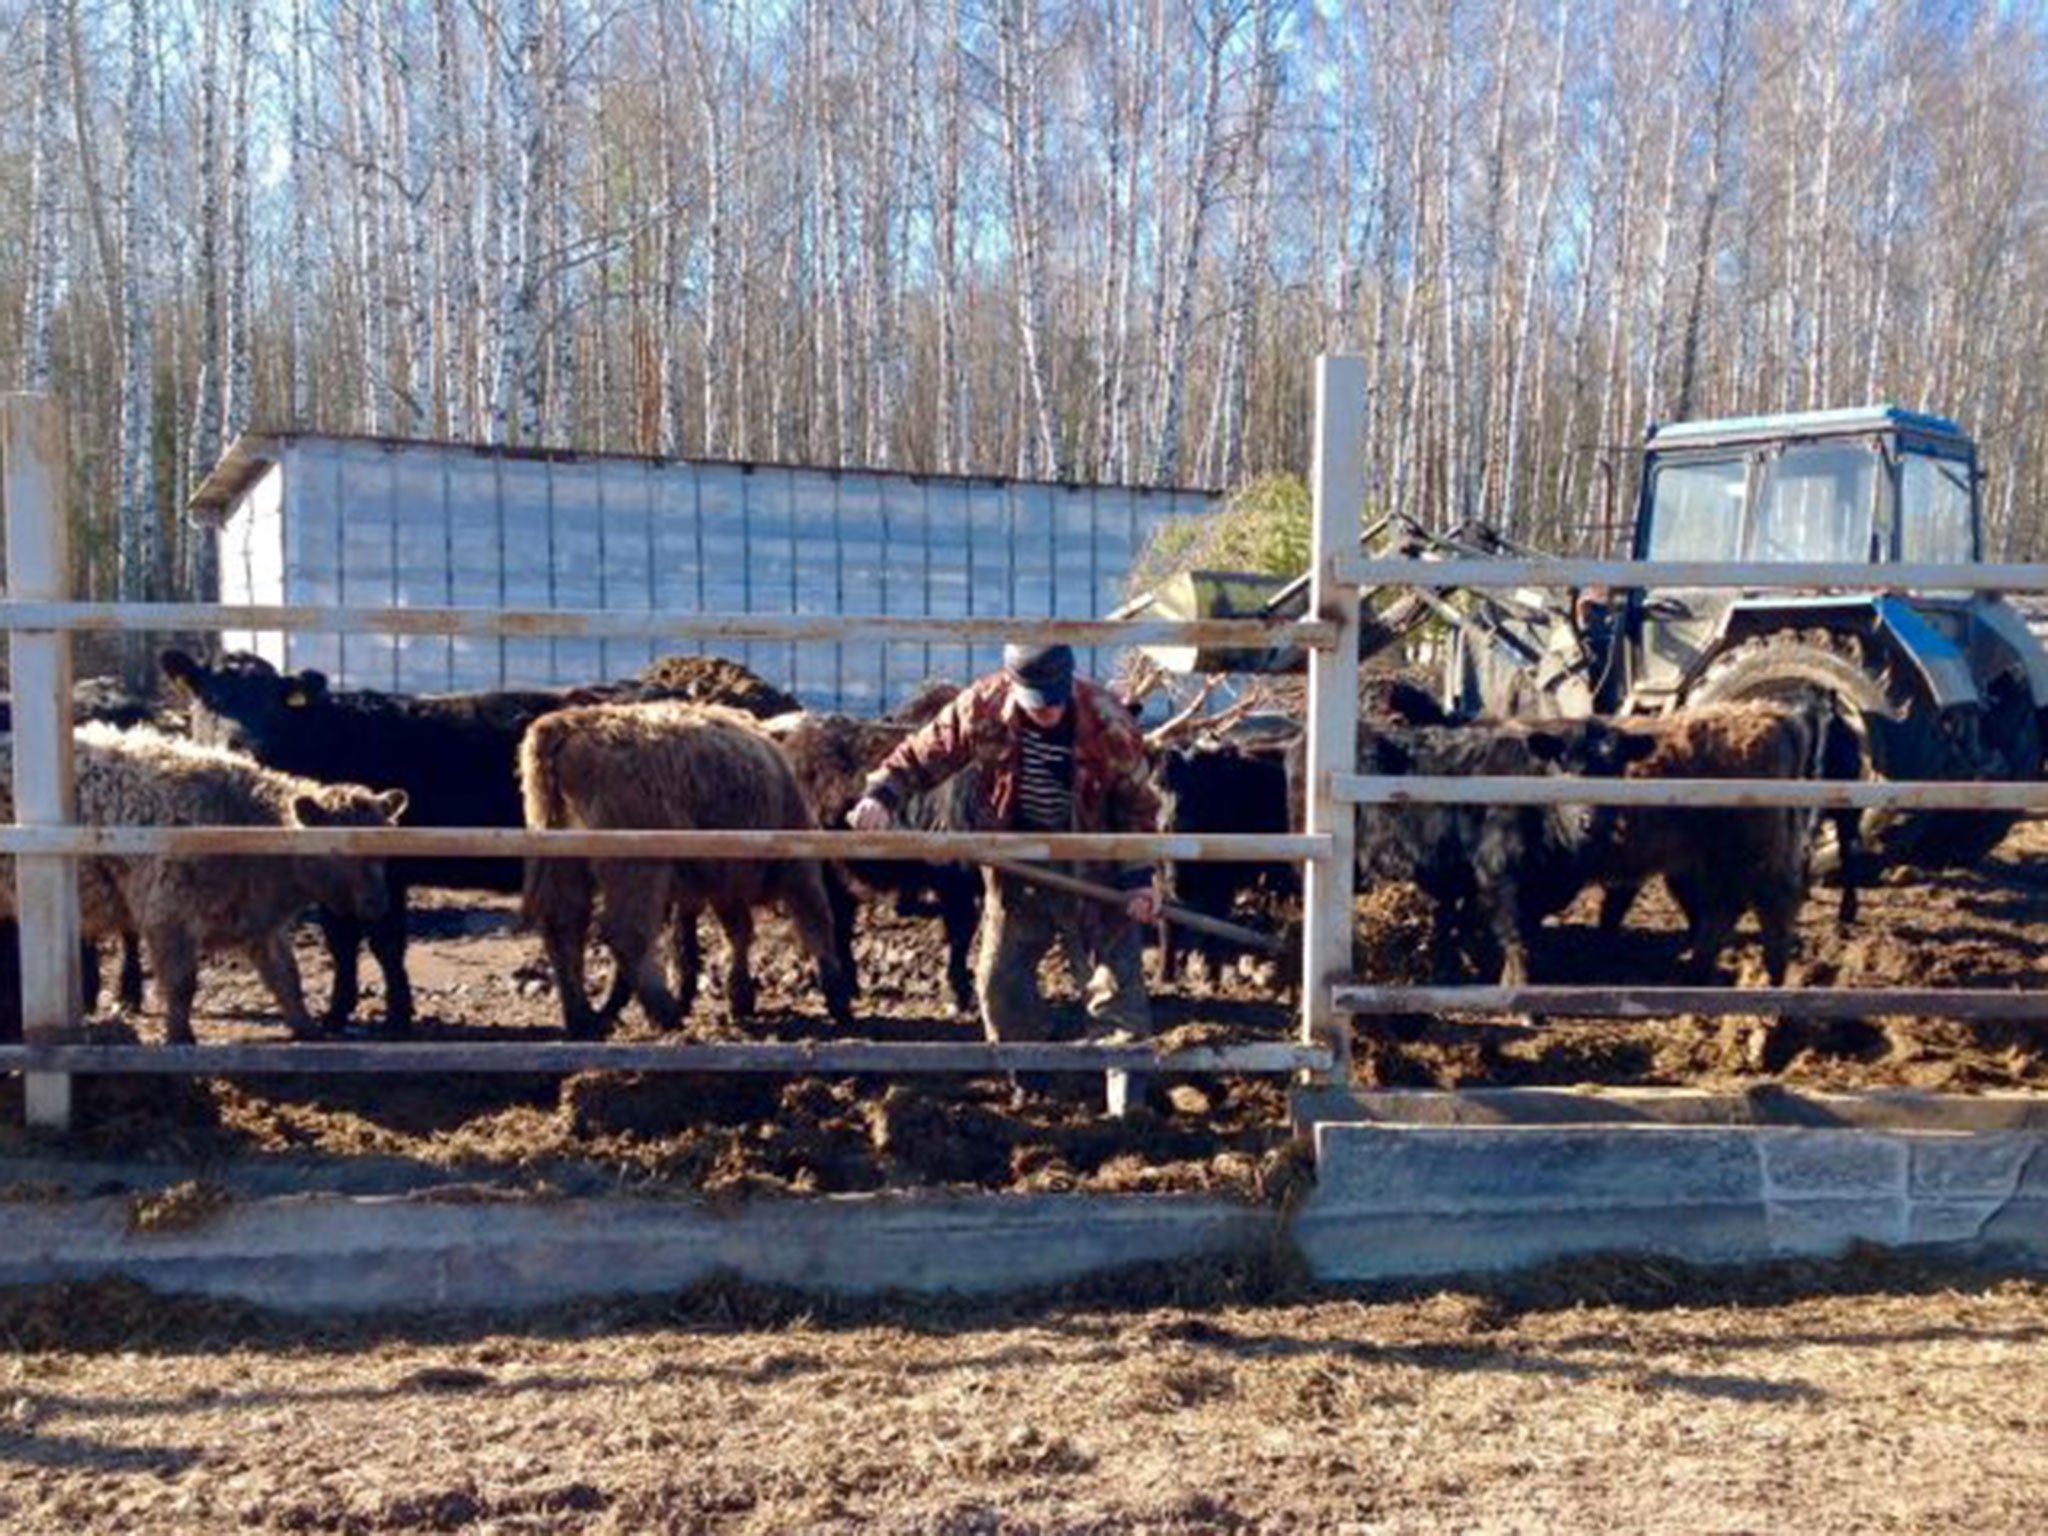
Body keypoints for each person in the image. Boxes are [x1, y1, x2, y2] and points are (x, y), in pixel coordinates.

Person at [848, 643, 1161, 1047]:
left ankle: (1126, 1094)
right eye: (1034, 701)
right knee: (1000, 986)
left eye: (1053, 701)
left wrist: (1138, 876)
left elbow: (1136, 802)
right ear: (1012, 685)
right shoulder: (982, 706)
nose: (1045, 711)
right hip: (1017, 864)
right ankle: (1029, 1084)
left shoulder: (1107, 721)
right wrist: (882, 796)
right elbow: (924, 753)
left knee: (1117, 987)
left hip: (1094, 860)